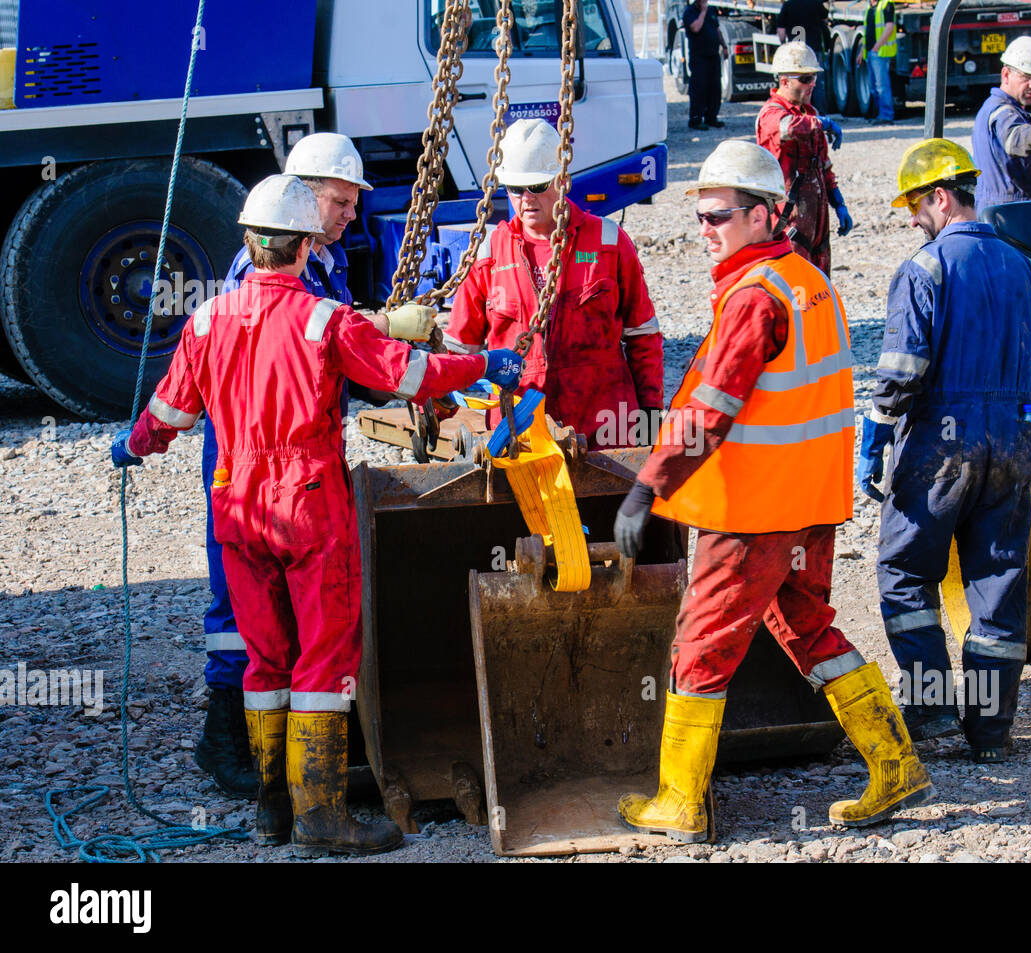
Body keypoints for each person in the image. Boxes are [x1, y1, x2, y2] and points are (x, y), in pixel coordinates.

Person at [111, 175, 524, 856]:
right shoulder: (322, 320)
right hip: (307, 500)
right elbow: (410, 374)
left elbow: (168, 415)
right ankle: (323, 815)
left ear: (249, 242)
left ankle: (272, 810)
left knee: (265, 656)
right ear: (304, 248)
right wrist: (486, 363)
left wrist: (130, 447)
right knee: (326, 657)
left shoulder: (208, 319)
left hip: (236, 503)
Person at [613, 139, 933, 842]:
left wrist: (648, 486)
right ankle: (894, 760)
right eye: (699, 216)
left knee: (701, 644)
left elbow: (709, 412)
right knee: (806, 626)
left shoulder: (755, 299)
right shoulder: (805, 280)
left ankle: (681, 801)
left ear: (764, 215)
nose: (704, 231)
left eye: (718, 217)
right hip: (809, 503)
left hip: (754, 511)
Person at [191, 133, 425, 799]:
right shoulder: (259, 271)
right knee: (243, 605)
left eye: (353, 202)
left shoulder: (322, 260)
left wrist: (378, 333)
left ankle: (301, 747)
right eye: (340, 201)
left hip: (295, 456)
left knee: (298, 606)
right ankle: (227, 739)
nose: (352, 214)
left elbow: (332, 336)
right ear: (300, 198)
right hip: (253, 457)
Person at [861, 139, 1031, 763]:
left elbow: (902, 371)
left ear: (941, 198)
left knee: (904, 573)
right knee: (998, 582)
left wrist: (873, 441)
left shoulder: (925, 270)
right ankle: (989, 732)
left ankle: (930, 712)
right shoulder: (1028, 269)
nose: (913, 220)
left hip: (940, 448)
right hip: (1013, 440)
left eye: (917, 207)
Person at [445, 118, 663, 449]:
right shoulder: (489, 254)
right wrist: (433, 403)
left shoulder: (607, 242)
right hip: (522, 435)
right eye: (516, 189)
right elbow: (460, 350)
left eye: (537, 186)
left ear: (562, 180)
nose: (526, 199)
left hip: (606, 430)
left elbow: (643, 336)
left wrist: (650, 419)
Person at [756, 40, 853, 274]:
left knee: (820, 282)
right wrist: (822, 123)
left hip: (817, 215)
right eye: (805, 79)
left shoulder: (811, 114)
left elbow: (824, 167)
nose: (812, 85)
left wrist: (839, 204)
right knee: (795, 283)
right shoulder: (770, 114)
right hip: (788, 218)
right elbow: (788, 127)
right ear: (784, 80)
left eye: (814, 78)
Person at [971, 36, 1031, 212]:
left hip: (1005, 210)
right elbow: (1015, 138)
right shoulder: (1003, 113)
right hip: (1011, 217)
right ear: (1006, 74)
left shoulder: (995, 108)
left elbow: (1010, 168)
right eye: (1027, 77)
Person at [775, 0, 830, 114]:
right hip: (813, 51)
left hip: (795, 54)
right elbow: (825, 19)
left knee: (797, 85)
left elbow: (781, 32)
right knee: (817, 84)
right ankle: (819, 114)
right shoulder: (815, 3)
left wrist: (784, 45)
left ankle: (798, 113)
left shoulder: (788, 5)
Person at [683, 0, 726, 130]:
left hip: (713, 55)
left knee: (715, 88)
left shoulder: (711, 10)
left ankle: (711, 117)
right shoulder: (689, 12)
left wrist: (724, 46)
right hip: (699, 56)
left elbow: (717, 30)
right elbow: (696, 28)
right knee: (699, 88)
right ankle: (696, 119)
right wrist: (702, 12)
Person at [860, 0, 897, 126]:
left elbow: (889, 27)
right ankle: (878, 115)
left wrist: (877, 46)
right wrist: (862, 51)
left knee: (882, 86)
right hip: (870, 52)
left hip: (880, 52)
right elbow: (867, 32)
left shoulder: (886, 4)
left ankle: (886, 115)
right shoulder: (870, 7)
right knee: (874, 87)